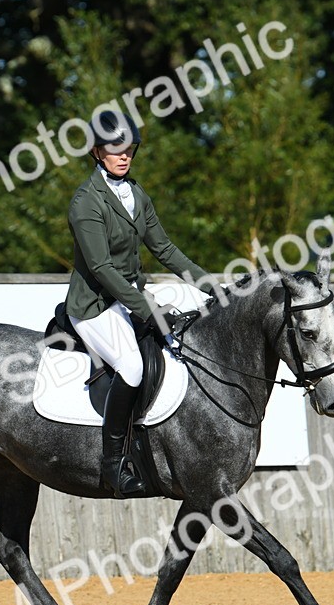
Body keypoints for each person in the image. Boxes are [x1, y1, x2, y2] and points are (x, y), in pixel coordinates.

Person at [64, 110, 219, 497]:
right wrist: (147, 309)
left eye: (129, 149)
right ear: (98, 152)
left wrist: (212, 287)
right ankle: (113, 464)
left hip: (131, 298)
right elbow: (101, 268)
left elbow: (165, 249)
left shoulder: (136, 194)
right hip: (95, 306)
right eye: (115, 150)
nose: (124, 156)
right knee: (132, 366)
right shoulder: (86, 202)